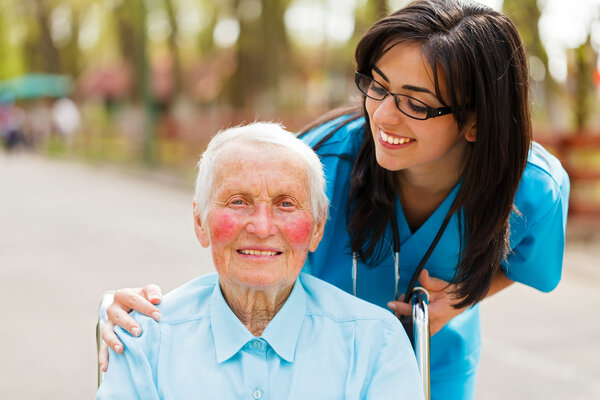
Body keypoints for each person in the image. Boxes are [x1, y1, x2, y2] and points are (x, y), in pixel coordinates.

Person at [100, 1, 570, 398]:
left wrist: (462, 299)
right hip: (316, 358)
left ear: (476, 121)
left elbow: (528, 267)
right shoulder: (317, 163)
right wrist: (149, 319)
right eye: (379, 87)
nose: (383, 116)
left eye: (416, 103)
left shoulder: (533, 188)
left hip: (436, 352)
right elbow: (247, 244)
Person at [96, 122, 424, 399]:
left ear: (317, 228)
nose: (262, 227)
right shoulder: (145, 339)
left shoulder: (375, 342)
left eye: (285, 204)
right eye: (239, 201)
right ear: (200, 223)